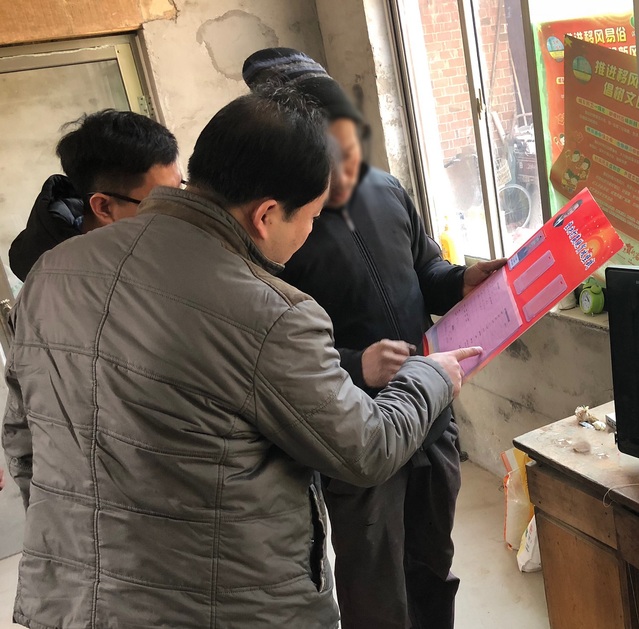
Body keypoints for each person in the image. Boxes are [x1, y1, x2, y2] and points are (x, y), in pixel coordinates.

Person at [2, 86, 480, 629]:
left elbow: (21, 436)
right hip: (225, 604)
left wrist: (70, 541)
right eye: (311, 218)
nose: (310, 233)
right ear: (267, 214)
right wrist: (429, 376)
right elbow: (365, 449)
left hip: (70, 602)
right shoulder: (267, 308)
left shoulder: (51, 273)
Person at [243, 49, 506, 629]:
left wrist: (460, 281)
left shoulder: (385, 189)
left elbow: (425, 270)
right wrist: (355, 363)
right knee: (375, 582)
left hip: (431, 415)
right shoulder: (274, 227)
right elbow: (271, 345)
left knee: (433, 564)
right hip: (357, 432)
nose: (347, 170)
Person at [9, 109, 181, 281]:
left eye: (180, 188)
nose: (182, 210)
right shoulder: (61, 283)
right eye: (163, 202)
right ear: (104, 207)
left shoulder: (144, 243)